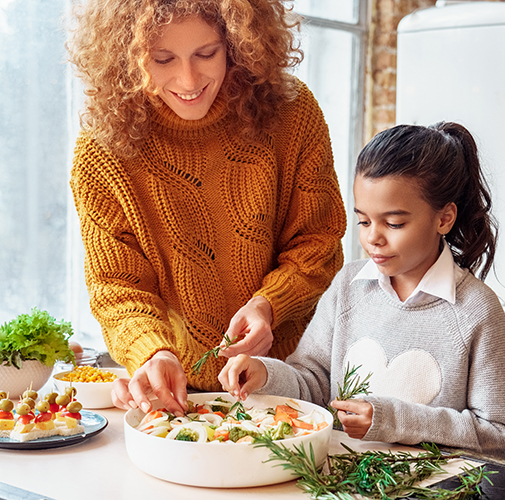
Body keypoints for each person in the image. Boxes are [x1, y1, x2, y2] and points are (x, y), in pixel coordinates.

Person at [66, 0, 347, 416]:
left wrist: (270, 304)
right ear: (127, 56)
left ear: (237, 44)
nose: (188, 78)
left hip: (293, 380)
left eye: (206, 53)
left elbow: (319, 241)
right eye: (163, 59)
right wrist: (151, 352)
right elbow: (117, 286)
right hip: (179, 392)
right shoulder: (102, 152)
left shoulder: (291, 113)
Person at [219, 122, 505, 459]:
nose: (373, 238)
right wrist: (265, 374)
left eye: (394, 223)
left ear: (444, 219)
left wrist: (391, 420)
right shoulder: (347, 287)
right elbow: (313, 384)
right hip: (339, 484)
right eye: (364, 221)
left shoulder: (476, 311)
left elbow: (503, 437)